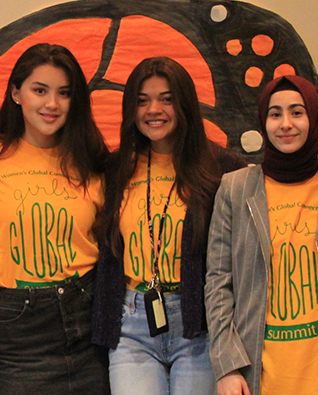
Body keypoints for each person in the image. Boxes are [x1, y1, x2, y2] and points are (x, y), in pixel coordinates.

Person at [0, 43, 111, 394]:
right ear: (16, 93)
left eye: (64, 93)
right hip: (20, 323)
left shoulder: (91, 159)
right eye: (39, 90)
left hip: (87, 313)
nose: (52, 104)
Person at [93, 56, 245, 395]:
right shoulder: (116, 167)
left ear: (185, 103)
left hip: (198, 327)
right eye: (142, 100)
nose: (153, 109)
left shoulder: (223, 168)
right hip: (131, 323)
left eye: (166, 98)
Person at [206, 75, 318, 395]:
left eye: (297, 112)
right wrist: (227, 365)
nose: (286, 124)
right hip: (258, 378)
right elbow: (218, 283)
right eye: (275, 113)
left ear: (314, 118)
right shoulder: (236, 189)